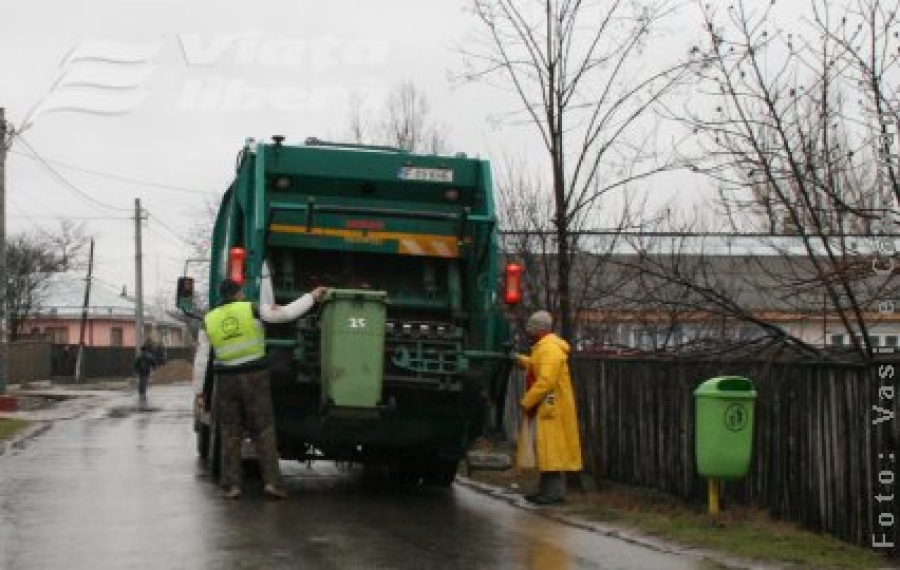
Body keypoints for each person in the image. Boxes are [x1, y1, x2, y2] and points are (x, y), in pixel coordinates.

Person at [192, 278, 328, 500]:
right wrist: (312, 296)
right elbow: (285, 314)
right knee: (263, 430)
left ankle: (231, 486)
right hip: (255, 377)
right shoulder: (252, 309)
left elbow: (201, 359)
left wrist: (199, 392)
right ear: (237, 294)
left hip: (226, 380)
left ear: (221, 296)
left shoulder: (209, 320)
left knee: (230, 432)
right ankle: (273, 484)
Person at [514, 310, 583, 505]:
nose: (528, 333)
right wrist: (519, 360)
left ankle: (553, 494)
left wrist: (527, 401)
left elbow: (545, 380)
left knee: (551, 452)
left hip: (551, 408)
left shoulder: (549, 349)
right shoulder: (544, 348)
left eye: (531, 329)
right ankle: (547, 492)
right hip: (549, 407)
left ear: (538, 329)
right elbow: (537, 366)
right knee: (546, 451)